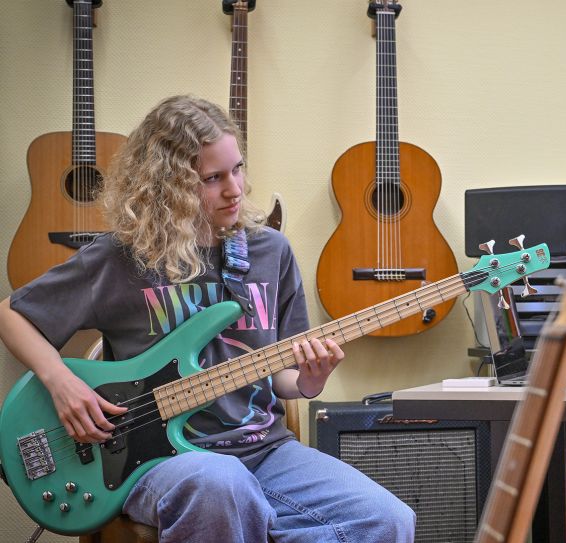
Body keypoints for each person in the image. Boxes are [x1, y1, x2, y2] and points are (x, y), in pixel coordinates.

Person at [0, 95, 415, 542]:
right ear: (166, 187)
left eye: (236, 169)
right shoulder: (120, 258)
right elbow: (12, 315)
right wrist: (60, 381)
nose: (235, 189)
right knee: (221, 485)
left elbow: (284, 377)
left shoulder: (269, 251)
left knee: (386, 519)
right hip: (155, 462)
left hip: (265, 450)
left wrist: (311, 379)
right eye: (213, 178)